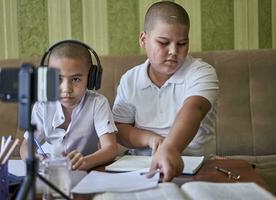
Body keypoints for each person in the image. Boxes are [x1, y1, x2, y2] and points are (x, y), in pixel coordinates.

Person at [112, 1, 219, 182]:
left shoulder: (202, 72)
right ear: (143, 40)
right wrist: (151, 139)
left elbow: (195, 109)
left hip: (194, 166)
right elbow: (119, 129)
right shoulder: (130, 79)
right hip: (141, 167)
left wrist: (170, 148)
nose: (173, 51)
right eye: (163, 42)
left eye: (182, 43)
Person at [20, 41, 117, 170]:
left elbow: (110, 148)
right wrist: (38, 160)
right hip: (50, 169)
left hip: (85, 170)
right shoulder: (43, 105)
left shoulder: (98, 104)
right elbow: (26, 146)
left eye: (76, 79)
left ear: (91, 78)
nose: (66, 89)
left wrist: (86, 162)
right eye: (58, 79)